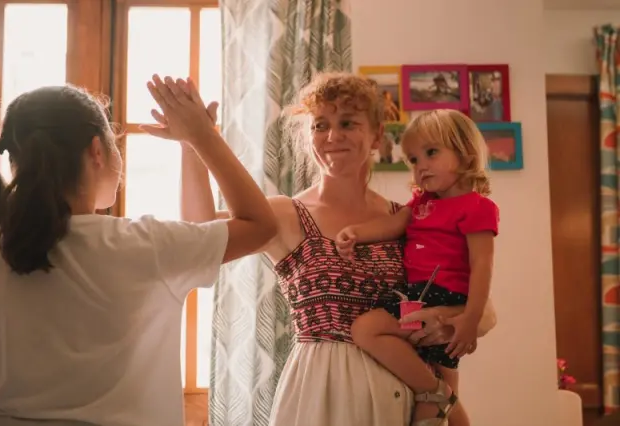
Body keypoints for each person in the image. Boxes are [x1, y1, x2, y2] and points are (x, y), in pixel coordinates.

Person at [178, 72, 497, 426]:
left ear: (377, 135)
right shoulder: (286, 214)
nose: (332, 136)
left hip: (402, 403)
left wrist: (446, 322)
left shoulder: (406, 219)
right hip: (319, 398)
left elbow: (480, 307)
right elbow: (199, 232)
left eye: (348, 123)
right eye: (320, 125)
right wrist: (192, 144)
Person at [0, 76, 277, 426]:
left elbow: (210, 230)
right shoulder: (144, 245)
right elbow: (261, 224)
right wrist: (200, 137)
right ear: (96, 151)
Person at [335, 109, 498, 426]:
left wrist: (470, 318)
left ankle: (438, 392)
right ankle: (438, 392)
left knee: (365, 330)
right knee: (436, 406)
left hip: (444, 297)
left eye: (431, 153)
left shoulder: (478, 207)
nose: (420, 165)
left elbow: (482, 265)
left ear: (464, 153)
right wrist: (355, 232)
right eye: (413, 159)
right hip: (417, 295)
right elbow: (393, 225)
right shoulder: (421, 203)